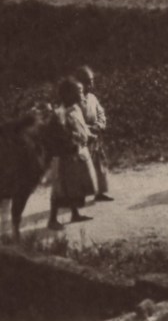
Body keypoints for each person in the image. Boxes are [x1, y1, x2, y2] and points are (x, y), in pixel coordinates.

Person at [47, 76, 97, 230]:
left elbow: (81, 126)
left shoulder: (76, 109)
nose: (82, 94)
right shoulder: (59, 114)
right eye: (78, 92)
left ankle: (74, 213)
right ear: (67, 95)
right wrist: (72, 142)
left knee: (74, 186)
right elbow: (60, 135)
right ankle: (52, 219)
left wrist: (89, 135)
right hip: (64, 156)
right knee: (61, 188)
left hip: (77, 153)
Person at [74, 65, 113, 202]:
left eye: (91, 81)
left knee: (99, 165)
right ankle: (79, 195)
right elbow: (75, 120)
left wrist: (100, 125)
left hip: (95, 137)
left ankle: (100, 192)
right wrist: (87, 129)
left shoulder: (92, 98)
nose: (90, 84)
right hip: (82, 139)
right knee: (82, 168)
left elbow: (101, 113)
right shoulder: (74, 101)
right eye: (87, 81)